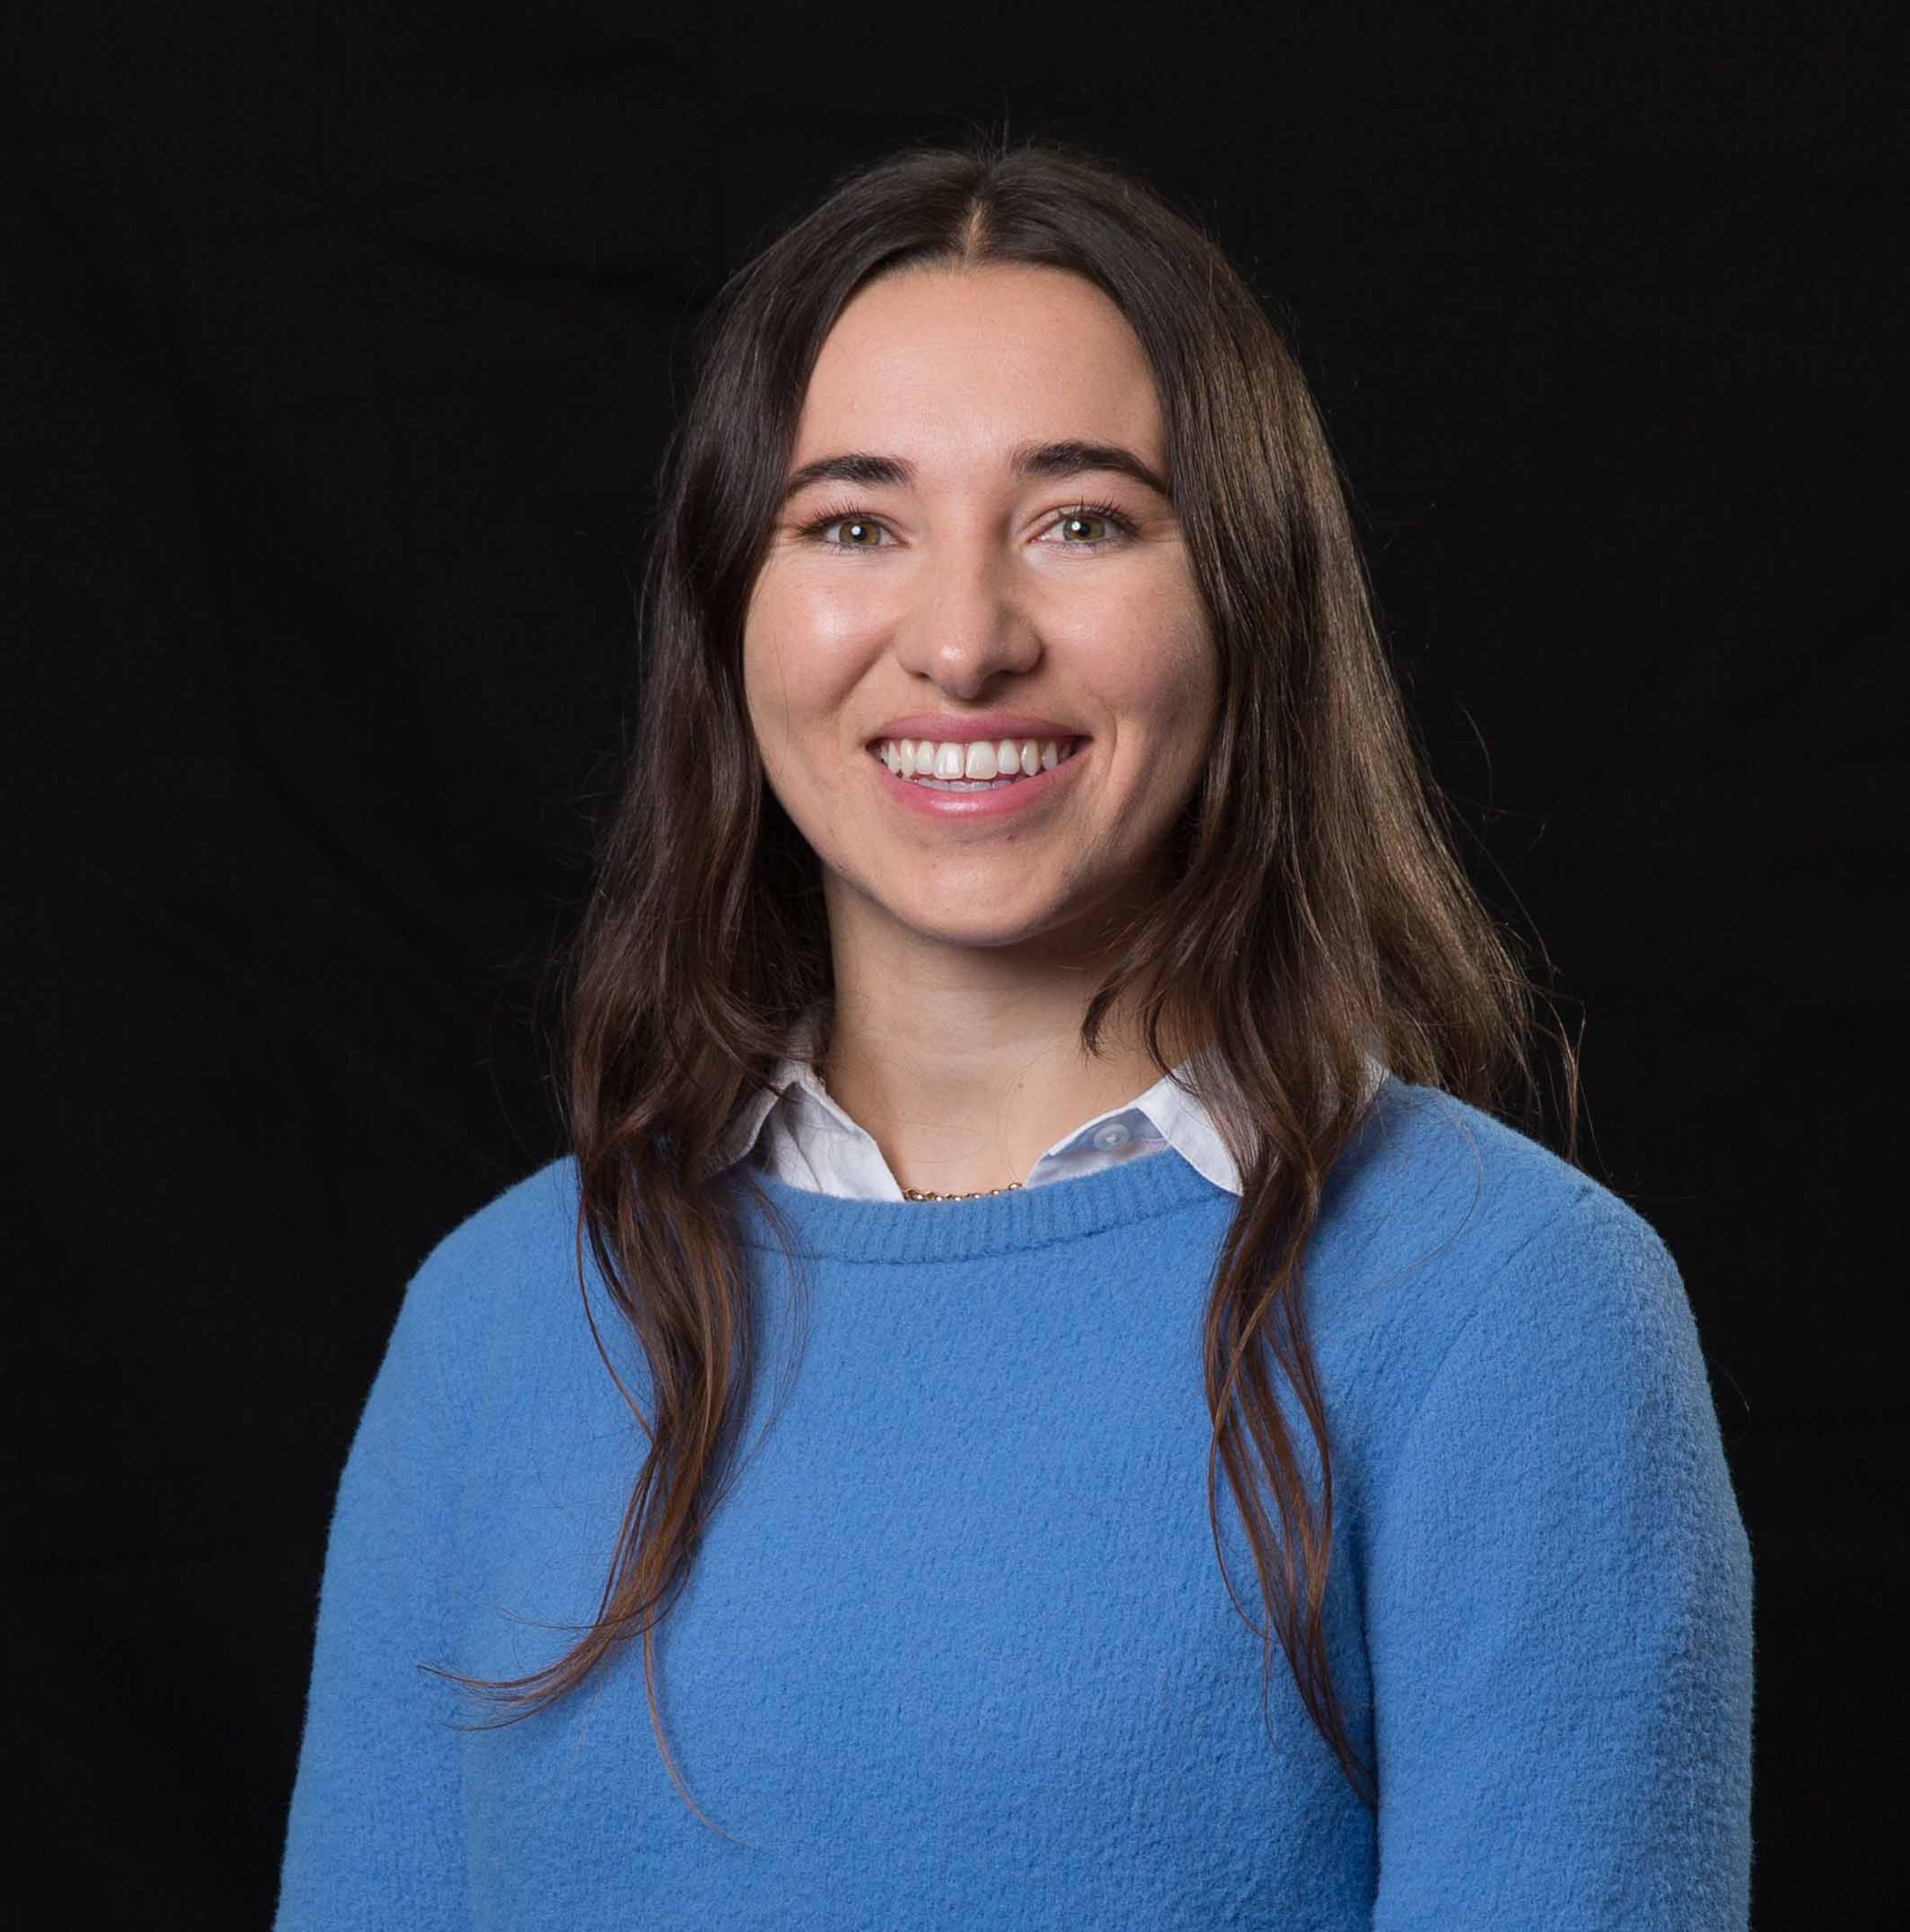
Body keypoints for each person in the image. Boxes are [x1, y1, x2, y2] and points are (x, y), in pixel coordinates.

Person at [276, 135, 1754, 1929]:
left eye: (1082, 521)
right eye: (854, 524)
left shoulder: (1507, 1310)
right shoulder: (500, 1317)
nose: (962, 643)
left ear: (1249, 602)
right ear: (731, 615)